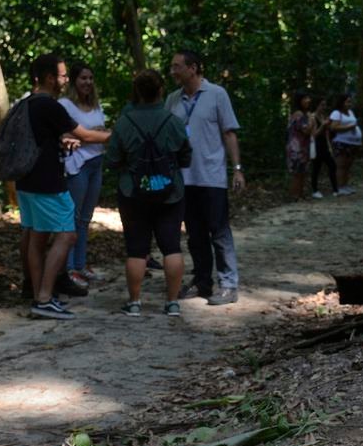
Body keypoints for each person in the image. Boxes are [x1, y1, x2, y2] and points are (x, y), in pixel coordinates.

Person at [18, 53, 109, 319]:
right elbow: (86, 135)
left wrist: (61, 142)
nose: (65, 79)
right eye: (63, 75)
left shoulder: (27, 103)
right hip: (47, 181)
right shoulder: (50, 105)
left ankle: (39, 296)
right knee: (68, 234)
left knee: (37, 237)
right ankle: (45, 297)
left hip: (26, 180)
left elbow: (45, 137)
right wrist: (117, 136)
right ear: (49, 78)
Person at [105, 69, 191, 317]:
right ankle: (172, 303)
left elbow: (111, 160)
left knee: (136, 249)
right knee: (171, 246)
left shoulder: (124, 122)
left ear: (136, 93)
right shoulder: (173, 121)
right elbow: (185, 157)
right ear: (161, 91)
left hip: (133, 193)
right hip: (170, 193)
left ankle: (134, 302)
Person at [165, 49, 244, 306]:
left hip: (211, 176)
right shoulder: (172, 99)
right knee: (195, 234)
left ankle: (228, 285)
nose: (172, 71)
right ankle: (202, 282)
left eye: (177, 66)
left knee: (219, 232)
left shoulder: (216, 94)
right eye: (172, 67)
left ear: (194, 68)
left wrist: (238, 169)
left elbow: (229, 133)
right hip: (183, 178)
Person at [59, 61, 106, 291]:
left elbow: (92, 135)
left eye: (90, 78)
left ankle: (80, 264)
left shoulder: (96, 105)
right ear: (74, 81)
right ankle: (67, 268)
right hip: (77, 166)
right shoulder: (65, 105)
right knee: (73, 218)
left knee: (86, 219)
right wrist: (95, 135)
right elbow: (71, 135)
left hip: (96, 163)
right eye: (83, 78)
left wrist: (91, 136)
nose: (87, 82)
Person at [329, 93, 361, 196]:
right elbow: (333, 127)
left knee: (348, 165)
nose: (349, 104)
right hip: (341, 142)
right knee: (341, 165)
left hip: (353, 143)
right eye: (347, 101)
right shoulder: (336, 113)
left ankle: (345, 185)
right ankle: (340, 186)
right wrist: (349, 127)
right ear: (341, 102)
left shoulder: (351, 112)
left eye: (350, 101)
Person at [309, 97, 338, 199]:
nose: (324, 107)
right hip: (316, 146)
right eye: (322, 105)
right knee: (316, 168)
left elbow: (326, 133)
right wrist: (323, 126)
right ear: (317, 105)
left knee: (332, 165)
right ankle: (315, 190)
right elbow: (314, 134)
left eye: (325, 105)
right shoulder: (312, 117)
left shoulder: (323, 116)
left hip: (325, 145)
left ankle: (335, 189)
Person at [286, 91, 312, 200]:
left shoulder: (302, 114)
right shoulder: (299, 114)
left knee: (302, 172)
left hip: (302, 147)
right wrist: (311, 119)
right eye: (305, 98)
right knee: (297, 172)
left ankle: (300, 194)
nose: (308, 100)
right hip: (296, 148)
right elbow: (306, 130)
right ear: (299, 101)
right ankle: (295, 195)